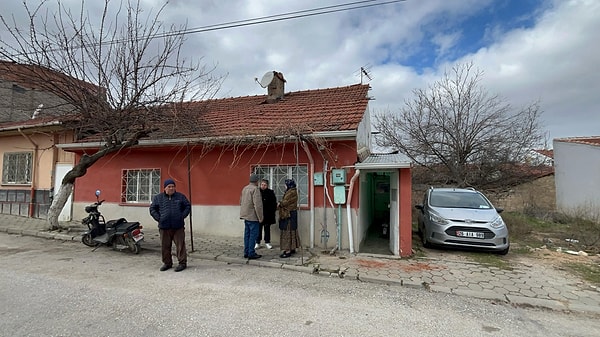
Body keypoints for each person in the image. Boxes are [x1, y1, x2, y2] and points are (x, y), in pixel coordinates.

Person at [149, 178, 191, 272]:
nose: (171, 188)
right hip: (164, 227)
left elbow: (187, 206)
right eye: (169, 187)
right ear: (165, 188)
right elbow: (152, 209)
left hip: (178, 226)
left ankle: (182, 263)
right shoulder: (158, 198)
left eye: (173, 186)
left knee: (180, 245)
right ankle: (167, 263)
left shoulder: (180, 197)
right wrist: (159, 218)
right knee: (165, 246)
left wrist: (182, 216)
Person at [240, 173, 264, 259]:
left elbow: (241, 201)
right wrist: (260, 217)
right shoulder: (255, 189)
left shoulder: (245, 188)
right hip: (253, 216)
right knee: (253, 235)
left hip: (245, 215)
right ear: (257, 181)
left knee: (247, 234)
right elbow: (258, 205)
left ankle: (246, 251)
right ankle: (251, 252)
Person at [278, 178, 300, 258]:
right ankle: (292, 247)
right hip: (291, 214)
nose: (284, 186)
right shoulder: (292, 191)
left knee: (287, 232)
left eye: (285, 184)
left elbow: (285, 202)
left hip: (288, 215)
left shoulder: (290, 192)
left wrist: (279, 204)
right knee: (292, 231)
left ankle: (288, 250)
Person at [255, 179, 277, 250]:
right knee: (258, 229)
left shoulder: (270, 192)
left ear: (267, 185)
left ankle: (267, 242)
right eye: (262, 185)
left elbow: (274, 203)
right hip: (259, 214)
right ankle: (257, 242)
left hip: (268, 214)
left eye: (265, 185)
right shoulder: (257, 191)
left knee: (267, 229)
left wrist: (271, 211)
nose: (263, 186)